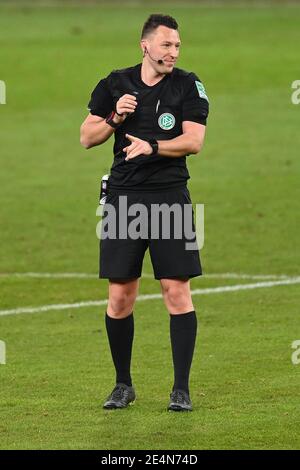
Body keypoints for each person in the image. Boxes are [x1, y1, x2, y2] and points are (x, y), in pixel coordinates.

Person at [80, 14, 209, 412]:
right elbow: (87, 137)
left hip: (169, 197)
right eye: (166, 45)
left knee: (176, 291)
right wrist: (114, 117)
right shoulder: (115, 83)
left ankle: (181, 389)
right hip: (123, 199)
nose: (173, 53)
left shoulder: (188, 84)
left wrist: (152, 146)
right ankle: (123, 385)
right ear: (145, 46)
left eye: (177, 47)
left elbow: (194, 141)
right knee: (120, 297)